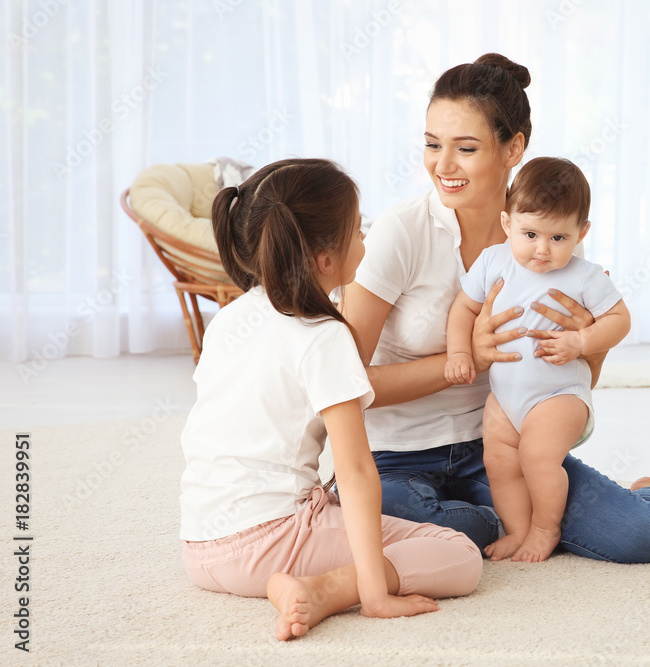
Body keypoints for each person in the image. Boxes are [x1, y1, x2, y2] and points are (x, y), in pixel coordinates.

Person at [342, 53, 650, 565]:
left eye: (466, 148)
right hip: (398, 460)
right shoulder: (402, 232)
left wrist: (586, 342)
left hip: (502, 444)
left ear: (513, 148)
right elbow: (344, 381)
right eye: (433, 145)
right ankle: (486, 519)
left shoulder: (549, 237)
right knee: (394, 521)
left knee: (643, 537)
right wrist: (466, 361)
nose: (443, 165)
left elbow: (581, 371)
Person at [178, 158, 482, 642]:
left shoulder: (231, 319)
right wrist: (375, 594)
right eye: (359, 230)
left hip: (199, 546)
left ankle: (312, 579)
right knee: (460, 555)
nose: (366, 239)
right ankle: (330, 589)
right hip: (271, 542)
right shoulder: (323, 337)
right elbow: (358, 471)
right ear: (324, 259)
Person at [445, 157, 630, 562]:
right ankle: (519, 530)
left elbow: (620, 320)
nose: (542, 250)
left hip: (559, 395)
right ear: (508, 224)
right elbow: (463, 308)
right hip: (505, 397)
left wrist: (581, 341)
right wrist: (460, 351)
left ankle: (546, 529)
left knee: (536, 457)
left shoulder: (585, 276)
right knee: (499, 460)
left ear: (581, 233)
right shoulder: (494, 261)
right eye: (530, 233)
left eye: (559, 238)